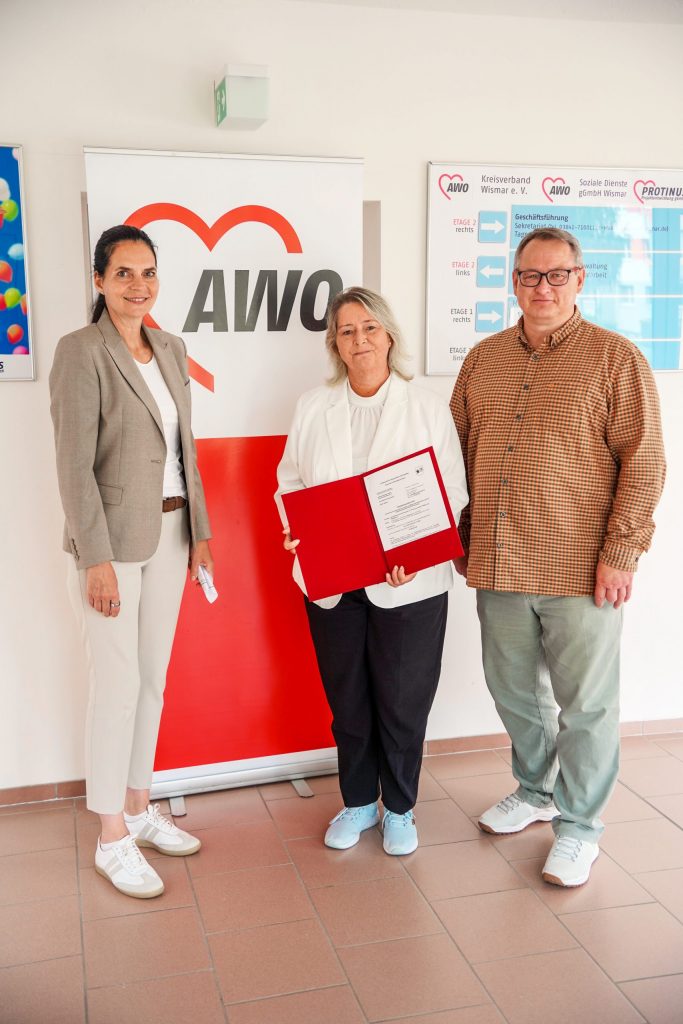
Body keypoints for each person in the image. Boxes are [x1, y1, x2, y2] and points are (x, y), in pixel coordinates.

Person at [450, 227, 666, 887]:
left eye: (555, 275)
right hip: (498, 561)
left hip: (581, 567)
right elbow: (454, 456)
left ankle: (579, 827)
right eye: (529, 275)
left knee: (586, 706)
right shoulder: (483, 360)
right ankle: (536, 790)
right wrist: (460, 534)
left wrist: (622, 551)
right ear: (513, 282)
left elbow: (644, 462)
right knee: (513, 691)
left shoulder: (615, 358)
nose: (541, 288)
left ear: (579, 279)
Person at [50, 224, 214, 899]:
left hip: (171, 535)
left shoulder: (171, 347)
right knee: (116, 687)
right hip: (111, 547)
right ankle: (111, 834)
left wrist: (200, 533)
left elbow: (186, 450)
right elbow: (73, 466)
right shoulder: (80, 351)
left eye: (147, 272)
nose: (138, 285)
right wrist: (94, 558)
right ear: (99, 280)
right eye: (123, 273)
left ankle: (140, 807)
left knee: (151, 682)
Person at [275, 286, 468, 855]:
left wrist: (416, 552)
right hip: (333, 580)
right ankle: (359, 802)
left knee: (404, 700)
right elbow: (290, 480)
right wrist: (294, 527)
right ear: (335, 344)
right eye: (346, 331)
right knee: (349, 698)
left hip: (408, 582)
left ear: (388, 336)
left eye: (369, 328)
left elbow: (451, 491)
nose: (359, 340)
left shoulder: (426, 406)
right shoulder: (314, 405)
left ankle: (400, 808)